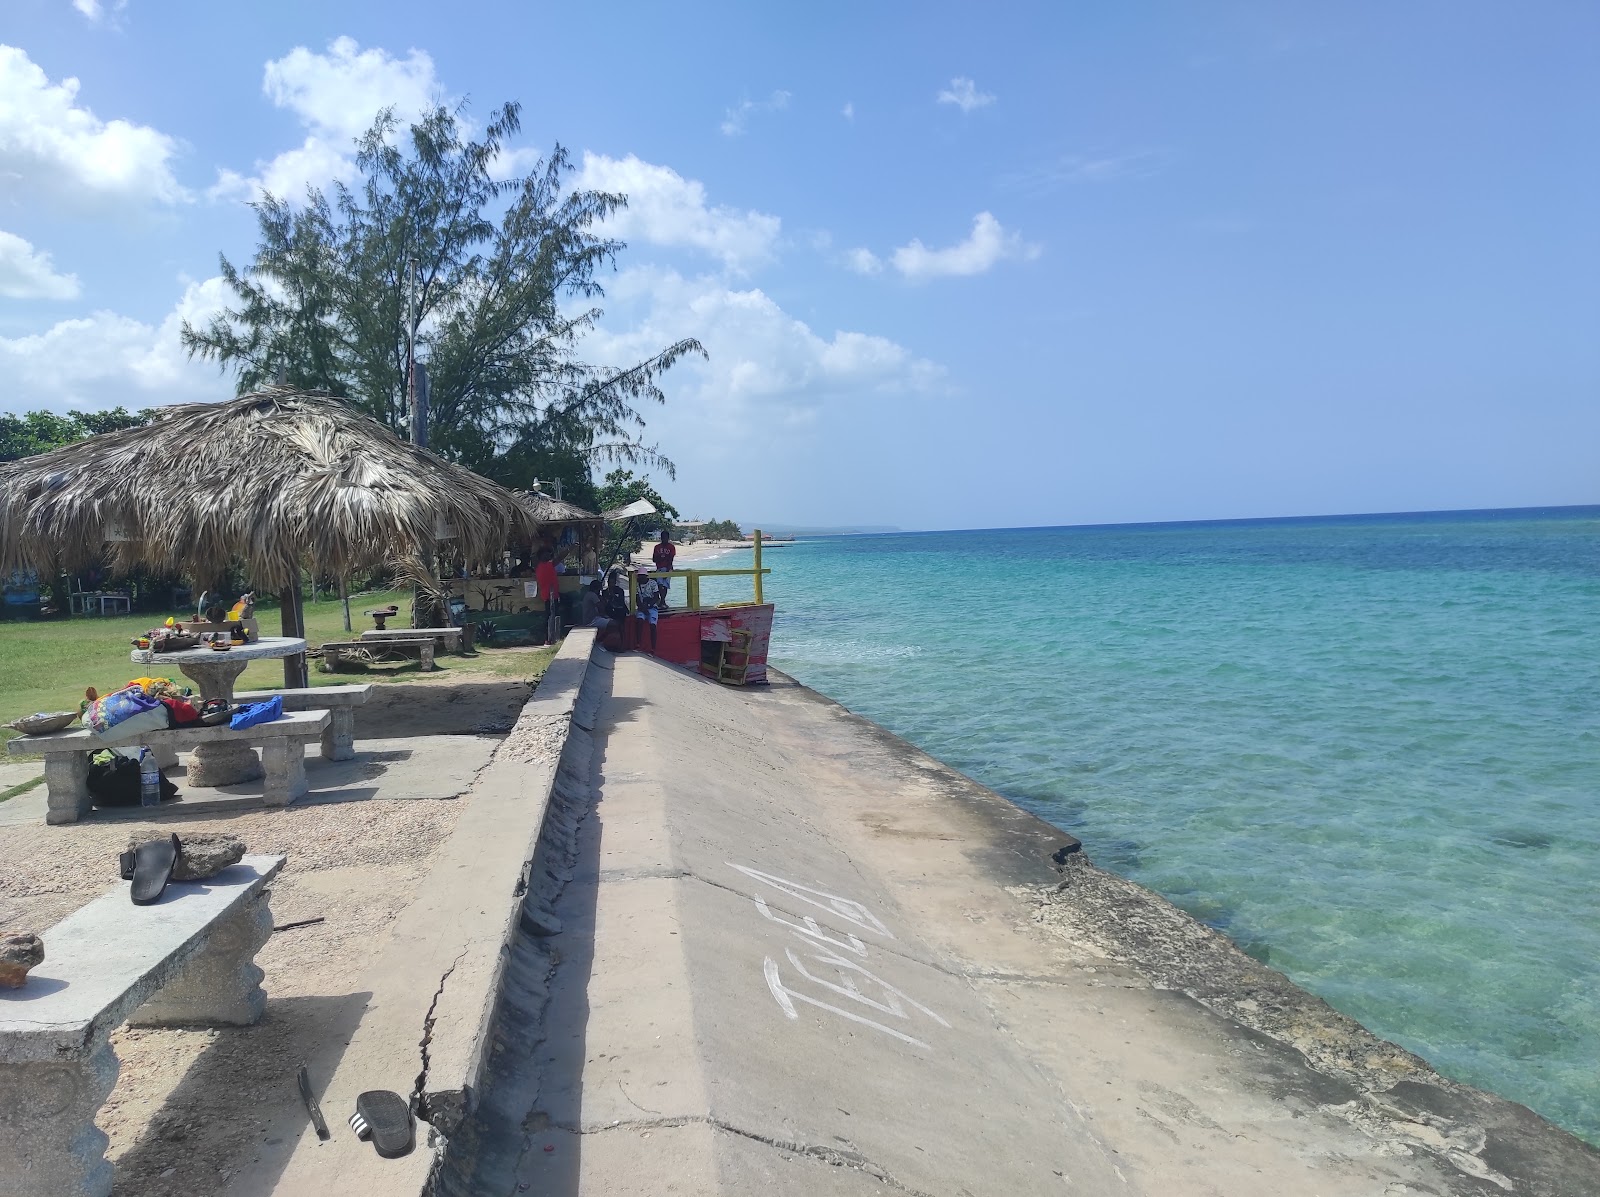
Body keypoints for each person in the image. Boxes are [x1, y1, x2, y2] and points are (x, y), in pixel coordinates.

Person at [633, 565, 664, 652]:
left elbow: (656, 597)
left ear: (645, 576)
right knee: (639, 621)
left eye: (641, 576)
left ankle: (653, 648)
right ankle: (638, 644)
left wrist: (648, 606)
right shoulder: (636, 585)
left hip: (652, 607)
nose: (640, 578)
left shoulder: (652, 583)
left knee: (653, 626)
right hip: (642, 607)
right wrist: (643, 608)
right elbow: (637, 599)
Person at [534, 548, 559, 644]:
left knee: (550, 616)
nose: (548, 556)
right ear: (541, 557)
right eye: (546, 554)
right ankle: (549, 638)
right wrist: (569, 549)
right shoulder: (546, 566)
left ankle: (549, 638)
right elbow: (558, 558)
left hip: (550, 595)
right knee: (550, 617)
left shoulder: (542, 566)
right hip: (550, 595)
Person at [651, 529, 676, 603]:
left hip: (668, 568)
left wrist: (667, 571)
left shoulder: (671, 547)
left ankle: (662, 601)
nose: (664, 539)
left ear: (668, 538)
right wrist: (661, 557)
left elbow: (671, 559)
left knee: (665, 585)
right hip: (659, 568)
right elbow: (654, 559)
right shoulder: (657, 547)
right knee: (660, 584)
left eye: (665, 537)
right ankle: (662, 601)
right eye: (663, 537)